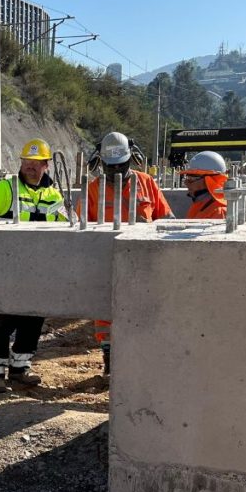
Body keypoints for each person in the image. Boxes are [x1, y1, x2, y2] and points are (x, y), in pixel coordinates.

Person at [82, 131, 174, 376]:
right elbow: (81, 231)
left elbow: (166, 218)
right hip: (107, 262)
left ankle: (143, 364)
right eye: (110, 168)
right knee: (106, 314)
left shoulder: (146, 183)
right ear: (101, 163)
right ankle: (110, 361)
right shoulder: (93, 190)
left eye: (120, 167)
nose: (116, 173)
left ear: (130, 160)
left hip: (146, 263)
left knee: (145, 313)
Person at [0, 139, 67, 392]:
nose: (29, 167)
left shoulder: (53, 194)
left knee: (32, 320)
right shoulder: (5, 188)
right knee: (1, 320)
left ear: (46, 165)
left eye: (35, 163)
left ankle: (20, 369)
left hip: (38, 270)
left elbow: (67, 228)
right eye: (26, 162)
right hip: (6, 268)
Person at [180, 151, 228, 219]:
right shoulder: (201, 203)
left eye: (191, 179)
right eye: (187, 177)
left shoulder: (219, 211)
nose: (186, 183)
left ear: (209, 181)